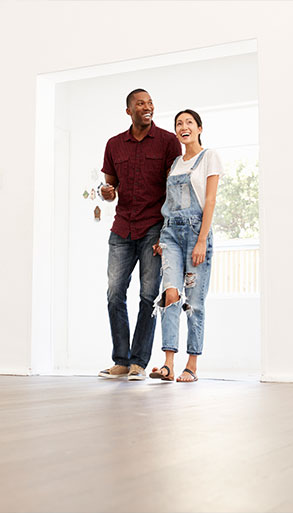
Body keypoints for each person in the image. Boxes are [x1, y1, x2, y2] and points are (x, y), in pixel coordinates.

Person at [97, 89, 182, 381]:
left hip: (153, 228)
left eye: (150, 103)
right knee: (114, 294)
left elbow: (176, 189)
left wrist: (167, 234)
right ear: (129, 111)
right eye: (140, 104)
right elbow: (110, 189)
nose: (147, 107)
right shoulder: (114, 145)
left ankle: (139, 362)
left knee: (148, 295)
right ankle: (121, 360)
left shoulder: (169, 142)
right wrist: (107, 193)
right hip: (122, 227)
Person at [148, 109, 222, 383]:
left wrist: (202, 240)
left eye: (189, 122)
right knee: (169, 295)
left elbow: (211, 201)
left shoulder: (209, 157)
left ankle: (191, 364)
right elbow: (167, 204)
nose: (183, 127)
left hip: (195, 233)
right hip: (170, 235)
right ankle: (168, 362)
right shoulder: (176, 163)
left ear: (199, 128)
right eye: (179, 123)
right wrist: (161, 238)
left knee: (194, 302)